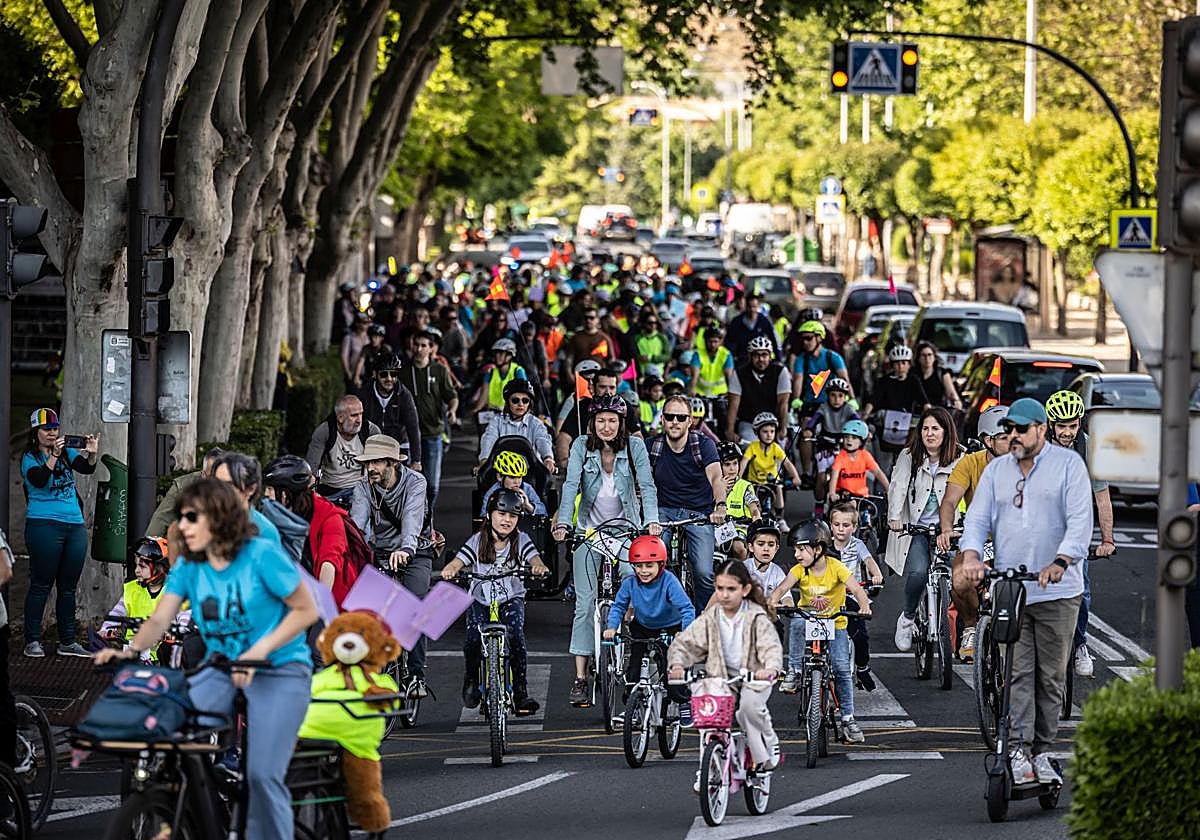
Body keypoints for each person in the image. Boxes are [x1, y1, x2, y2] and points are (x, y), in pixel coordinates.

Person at [95, 479, 319, 840]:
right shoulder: (187, 568)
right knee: (174, 724)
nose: (181, 526)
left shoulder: (260, 555)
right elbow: (159, 620)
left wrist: (259, 651)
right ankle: (198, 807)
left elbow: (306, 609)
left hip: (278, 666)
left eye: (191, 518)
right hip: (223, 666)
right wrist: (128, 649)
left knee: (262, 775)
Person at [959, 398, 1092, 786]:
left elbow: (1081, 521)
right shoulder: (997, 471)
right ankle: (1017, 749)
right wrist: (970, 554)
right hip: (1011, 589)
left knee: (1049, 678)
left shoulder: (1069, 467)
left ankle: (1043, 750)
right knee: (1016, 672)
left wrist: (1061, 561)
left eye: (1020, 429)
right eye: (1009, 429)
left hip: (1059, 590)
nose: (1013, 436)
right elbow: (978, 516)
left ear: (1041, 429)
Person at [553, 395, 661, 706]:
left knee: (634, 585)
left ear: (622, 423)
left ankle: (634, 658)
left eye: (612, 420)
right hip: (589, 531)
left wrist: (651, 521)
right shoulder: (580, 447)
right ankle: (580, 678)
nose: (606, 426)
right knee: (585, 604)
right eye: (601, 420)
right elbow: (571, 484)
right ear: (592, 423)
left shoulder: (635, 447)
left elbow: (647, 485)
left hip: (627, 530)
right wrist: (564, 523)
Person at [668, 559, 784, 779]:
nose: (725, 595)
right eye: (720, 588)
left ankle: (769, 740)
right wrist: (677, 664)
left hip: (752, 677)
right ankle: (706, 771)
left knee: (748, 709)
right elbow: (687, 642)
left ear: (745, 589)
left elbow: (770, 646)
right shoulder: (712, 616)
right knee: (707, 719)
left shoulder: (755, 616)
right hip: (721, 677)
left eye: (731, 589)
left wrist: (770, 668)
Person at [441, 490, 549, 715]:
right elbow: (459, 560)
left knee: (516, 636)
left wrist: (538, 567)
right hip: (481, 598)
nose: (506, 520)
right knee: (472, 640)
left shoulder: (521, 540)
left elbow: (534, 558)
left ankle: (520, 691)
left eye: (512, 516)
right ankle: (471, 678)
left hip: (511, 598)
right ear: (489, 515)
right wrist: (451, 569)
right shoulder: (478, 540)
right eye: (501, 514)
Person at [770, 519, 872, 742]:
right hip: (810, 619)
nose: (796, 555)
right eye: (795, 550)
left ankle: (848, 718)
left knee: (842, 669)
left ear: (818, 549)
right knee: (796, 619)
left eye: (801, 550)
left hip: (835, 623)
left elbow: (855, 588)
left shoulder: (836, 567)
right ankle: (795, 671)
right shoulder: (799, 570)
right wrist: (775, 601)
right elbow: (782, 588)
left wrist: (864, 605)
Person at [350, 435, 432, 696]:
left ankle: (417, 675)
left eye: (376, 462)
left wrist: (407, 548)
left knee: (416, 606)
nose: (370, 468)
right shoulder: (363, 487)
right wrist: (353, 554)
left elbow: (412, 518)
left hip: (415, 550)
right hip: (381, 551)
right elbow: (358, 527)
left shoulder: (415, 482)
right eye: (368, 463)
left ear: (392, 463)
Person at [1044, 388, 1116, 680]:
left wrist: (1107, 540)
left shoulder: (1089, 450)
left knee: (1081, 590)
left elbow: (1102, 499)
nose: (1067, 432)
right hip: (1041, 530)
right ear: (1050, 425)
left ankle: (1080, 645)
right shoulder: (1037, 450)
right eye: (1061, 426)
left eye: (1072, 425)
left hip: (1075, 532)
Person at [937, 405, 1012, 660]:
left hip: (1016, 540)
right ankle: (970, 626)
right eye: (1004, 436)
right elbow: (949, 501)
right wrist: (946, 529)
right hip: (979, 540)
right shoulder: (970, 463)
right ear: (987, 440)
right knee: (959, 580)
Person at [21, 409, 97, 658]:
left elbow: (85, 469)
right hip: (44, 524)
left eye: (55, 428)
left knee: (68, 587)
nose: (53, 433)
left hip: (73, 524)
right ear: (36, 433)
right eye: (47, 429)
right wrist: (52, 456)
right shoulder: (29, 458)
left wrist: (92, 453)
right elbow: (40, 480)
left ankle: (67, 641)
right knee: (41, 584)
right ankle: (32, 640)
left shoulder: (66, 451)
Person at [888, 407, 964, 652]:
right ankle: (908, 618)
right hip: (918, 528)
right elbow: (898, 487)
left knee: (962, 577)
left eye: (935, 429)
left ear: (947, 432)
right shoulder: (909, 456)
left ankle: (967, 629)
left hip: (950, 530)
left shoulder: (961, 457)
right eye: (925, 429)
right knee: (919, 573)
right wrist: (894, 517)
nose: (929, 434)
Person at [649, 394, 726, 610]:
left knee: (703, 570)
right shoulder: (651, 447)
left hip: (699, 513)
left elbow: (716, 477)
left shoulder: (703, 445)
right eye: (670, 416)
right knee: (653, 563)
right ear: (662, 419)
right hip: (662, 513)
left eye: (681, 417)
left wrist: (720, 506)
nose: (675, 422)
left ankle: (704, 619)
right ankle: (656, 614)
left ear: (690, 421)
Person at [602, 535, 695, 713]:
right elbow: (619, 606)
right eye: (639, 566)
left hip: (670, 627)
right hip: (642, 627)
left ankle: (683, 702)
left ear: (661, 565)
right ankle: (633, 705)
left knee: (671, 672)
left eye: (649, 565)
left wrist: (684, 632)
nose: (643, 571)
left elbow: (687, 608)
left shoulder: (668, 581)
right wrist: (612, 628)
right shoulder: (630, 582)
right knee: (633, 670)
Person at [263, 455, 359, 606]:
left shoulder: (329, 517)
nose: (266, 494)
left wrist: (318, 606)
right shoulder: (276, 513)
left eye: (270, 489)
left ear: (286, 493)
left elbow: (329, 563)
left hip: (332, 602)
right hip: (290, 592)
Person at [828, 502, 884, 691]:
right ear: (830, 525)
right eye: (837, 525)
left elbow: (869, 560)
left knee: (860, 636)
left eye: (846, 525)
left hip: (853, 595)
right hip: (827, 596)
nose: (841, 529)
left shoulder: (857, 545)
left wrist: (876, 574)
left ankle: (862, 668)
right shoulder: (825, 545)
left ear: (854, 527)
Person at [399, 330, 459, 508]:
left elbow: (451, 395)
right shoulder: (402, 371)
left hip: (433, 433)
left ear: (431, 348)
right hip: (408, 437)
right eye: (416, 345)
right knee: (409, 485)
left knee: (432, 485)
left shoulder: (439, 370)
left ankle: (428, 517)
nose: (419, 349)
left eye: (423, 345)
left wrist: (453, 411)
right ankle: (415, 520)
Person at [99, 537, 174, 662]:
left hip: (163, 658)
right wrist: (107, 628)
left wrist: (172, 632)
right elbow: (117, 613)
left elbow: (184, 615)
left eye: (142, 566)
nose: (136, 570)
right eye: (136, 565)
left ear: (159, 568)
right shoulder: (132, 590)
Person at [861, 345, 930, 474]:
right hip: (886, 426)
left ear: (909, 364)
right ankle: (882, 490)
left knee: (909, 461)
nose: (900, 367)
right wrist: (865, 415)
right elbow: (873, 400)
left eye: (904, 363)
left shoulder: (913, 380)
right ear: (892, 365)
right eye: (897, 363)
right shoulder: (884, 381)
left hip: (906, 426)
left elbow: (924, 401)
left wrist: (931, 416)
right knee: (883, 464)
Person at [358, 355, 423, 470]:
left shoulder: (404, 395)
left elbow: (413, 427)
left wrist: (416, 460)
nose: (389, 379)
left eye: (393, 374)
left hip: (398, 447)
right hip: (373, 447)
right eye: (384, 374)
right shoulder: (364, 394)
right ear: (375, 374)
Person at [800, 377, 860, 501]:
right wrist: (809, 430)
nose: (837, 399)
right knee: (821, 477)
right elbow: (814, 420)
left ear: (845, 397)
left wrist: (864, 433)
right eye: (833, 395)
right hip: (826, 445)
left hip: (843, 446)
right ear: (827, 396)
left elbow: (858, 422)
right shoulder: (824, 407)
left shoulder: (848, 409)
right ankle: (819, 503)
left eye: (840, 396)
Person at [477, 378, 554, 472]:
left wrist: (548, 458)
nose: (520, 404)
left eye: (525, 400)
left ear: (530, 403)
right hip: (501, 473)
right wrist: (484, 461)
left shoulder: (536, 423)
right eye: (515, 400)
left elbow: (543, 439)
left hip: (531, 472)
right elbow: (488, 439)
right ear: (507, 402)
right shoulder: (496, 421)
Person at [147, 446, 225, 537]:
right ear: (203, 475)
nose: (218, 484)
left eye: (223, 479)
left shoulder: (238, 489)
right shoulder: (182, 487)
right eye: (213, 478)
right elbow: (160, 520)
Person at [725, 336, 791, 443]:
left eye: (764, 355)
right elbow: (733, 404)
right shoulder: (739, 373)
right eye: (756, 355)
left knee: (779, 453)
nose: (761, 359)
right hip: (749, 422)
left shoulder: (781, 372)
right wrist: (730, 431)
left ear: (770, 356)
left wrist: (783, 429)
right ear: (750, 356)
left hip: (773, 423)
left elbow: (783, 403)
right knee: (751, 448)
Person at [740, 413, 801, 517]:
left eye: (772, 431)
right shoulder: (752, 447)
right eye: (765, 432)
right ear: (757, 433)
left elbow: (787, 463)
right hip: (754, 482)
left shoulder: (775, 447)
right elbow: (743, 462)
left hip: (771, 481)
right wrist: (738, 478)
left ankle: (779, 516)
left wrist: (796, 477)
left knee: (779, 488)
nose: (769, 435)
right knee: (753, 502)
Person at [214, 452, 282, 547]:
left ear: (251, 489)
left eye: (228, 485)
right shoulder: (203, 523)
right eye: (216, 483)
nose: (219, 490)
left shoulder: (265, 532)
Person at [791, 320, 852, 415]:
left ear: (819, 338)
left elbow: (844, 379)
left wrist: (852, 399)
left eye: (808, 338)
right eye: (802, 339)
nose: (805, 342)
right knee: (806, 425)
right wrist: (796, 399)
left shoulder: (833, 357)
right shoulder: (801, 359)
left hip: (831, 405)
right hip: (809, 404)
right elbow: (798, 380)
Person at [828, 419, 889, 506]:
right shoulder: (841, 457)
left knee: (868, 515)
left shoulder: (865, 455)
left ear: (862, 441)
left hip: (861, 496)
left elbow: (878, 472)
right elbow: (834, 476)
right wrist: (832, 493)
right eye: (846, 437)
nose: (849, 440)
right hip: (844, 495)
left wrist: (888, 488)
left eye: (854, 438)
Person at [717, 441, 761, 561]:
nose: (732, 468)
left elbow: (754, 508)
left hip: (739, 528)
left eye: (735, 463)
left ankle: (742, 575)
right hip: (716, 528)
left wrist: (756, 518)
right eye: (727, 464)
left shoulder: (744, 486)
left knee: (739, 548)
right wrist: (721, 489)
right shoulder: (712, 484)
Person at [480, 451, 547, 517]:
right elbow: (484, 516)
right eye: (512, 477)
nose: (517, 482)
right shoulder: (492, 493)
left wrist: (528, 505)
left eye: (519, 477)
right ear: (499, 477)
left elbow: (544, 512)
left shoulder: (527, 489)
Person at [474, 338, 529, 414]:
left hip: (512, 412)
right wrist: (477, 410)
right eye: (496, 353)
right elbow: (484, 393)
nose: (497, 356)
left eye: (501, 353)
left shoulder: (518, 371)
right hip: (493, 411)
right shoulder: (491, 372)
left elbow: (524, 395)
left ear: (509, 355)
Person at [723, 292, 779, 363]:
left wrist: (777, 359)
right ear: (746, 306)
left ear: (758, 306)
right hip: (741, 359)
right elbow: (729, 342)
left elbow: (773, 339)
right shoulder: (737, 322)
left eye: (754, 307)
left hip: (759, 360)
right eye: (750, 307)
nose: (752, 310)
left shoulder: (764, 321)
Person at [742, 519, 787, 603]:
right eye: (760, 544)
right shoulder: (742, 568)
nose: (766, 549)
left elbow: (786, 596)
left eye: (771, 545)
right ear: (751, 547)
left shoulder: (778, 572)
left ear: (776, 548)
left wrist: (788, 605)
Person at [914, 341, 962, 411]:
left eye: (929, 355)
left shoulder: (942, 373)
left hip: (937, 413)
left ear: (934, 357)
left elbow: (951, 393)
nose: (927, 359)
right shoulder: (913, 374)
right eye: (923, 355)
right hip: (915, 413)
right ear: (918, 358)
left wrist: (956, 401)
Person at [353, 324, 392, 388]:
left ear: (381, 338)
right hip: (369, 378)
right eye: (372, 336)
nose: (373, 339)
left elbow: (390, 366)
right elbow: (360, 362)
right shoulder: (366, 349)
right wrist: (356, 377)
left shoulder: (386, 349)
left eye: (376, 337)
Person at [341, 314, 370, 389]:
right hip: (352, 373)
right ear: (357, 323)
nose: (365, 325)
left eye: (367, 323)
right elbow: (344, 356)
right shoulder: (349, 338)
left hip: (367, 374)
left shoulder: (369, 339)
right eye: (363, 322)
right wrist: (348, 372)